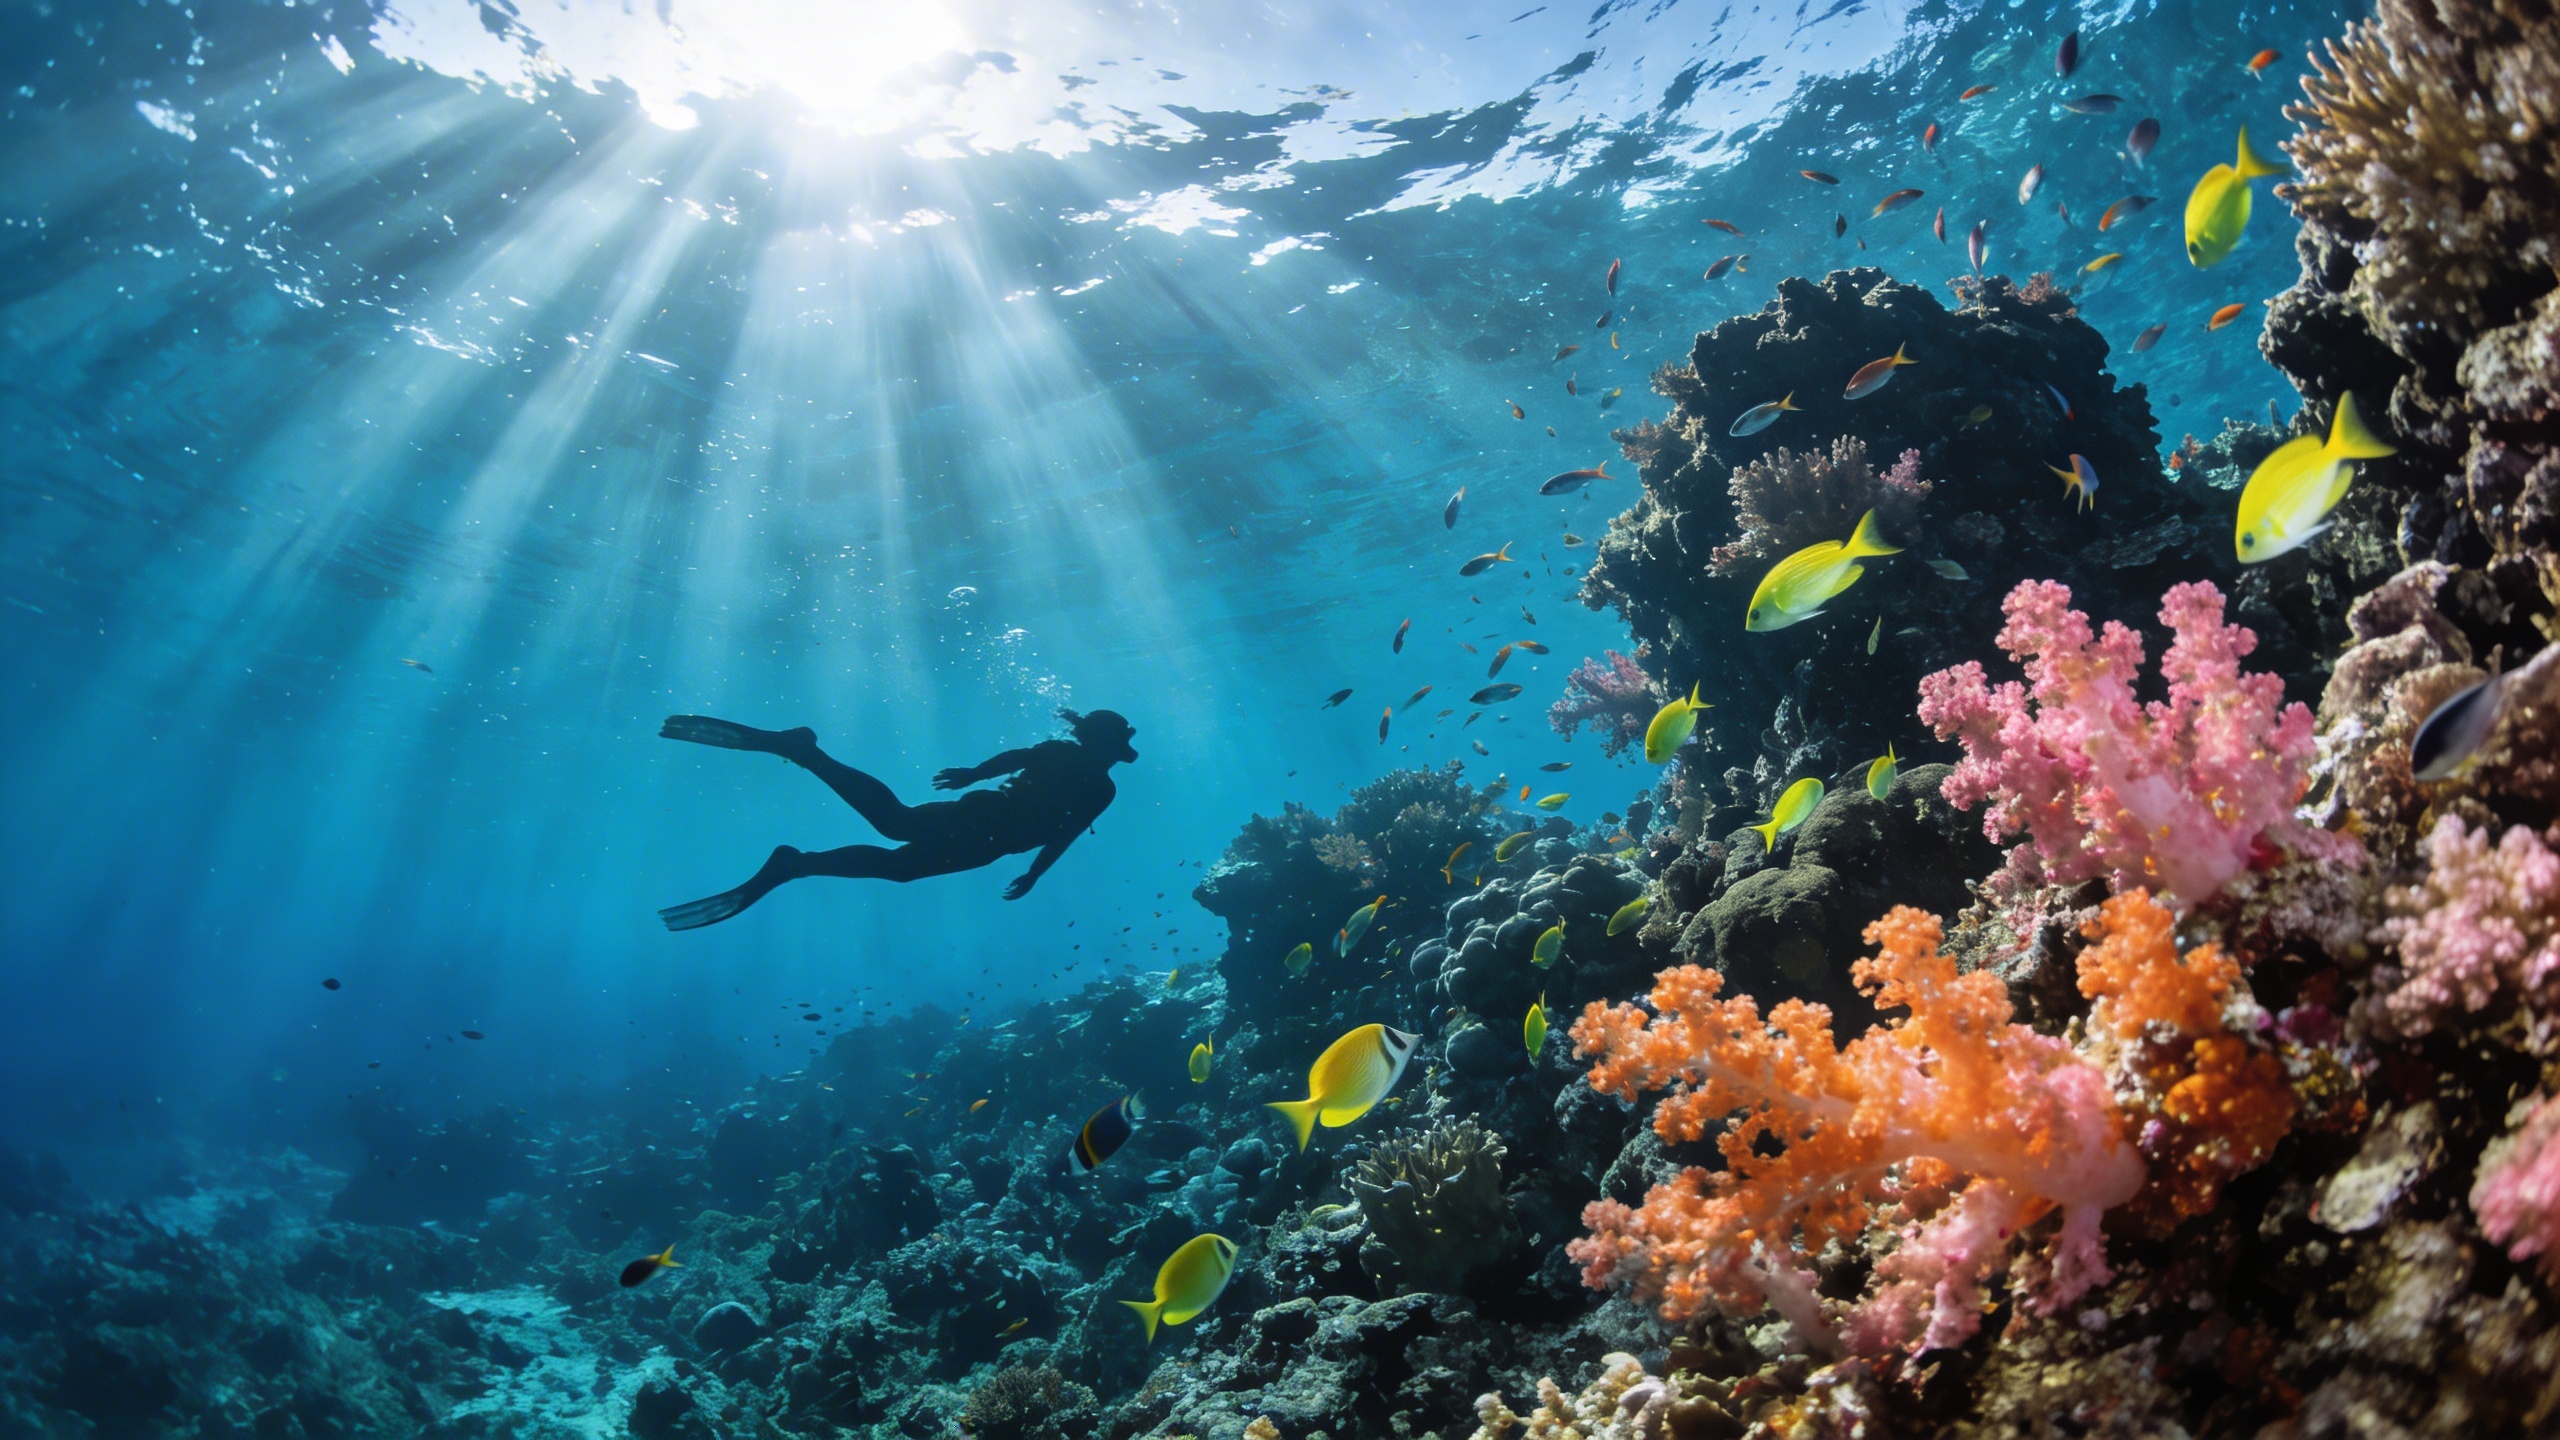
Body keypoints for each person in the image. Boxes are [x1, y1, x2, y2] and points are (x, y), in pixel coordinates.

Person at [654, 708, 1137, 931]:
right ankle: (805, 753)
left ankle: (796, 864)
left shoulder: (1099, 785)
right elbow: (1016, 762)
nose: (1119, 755)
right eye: (1117, 745)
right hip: (987, 823)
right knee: (895, 824)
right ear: (1103, 744)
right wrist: (972, 776)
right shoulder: (1086, 773)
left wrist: (1033, 870)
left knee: (900, 867)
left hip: (991, 843)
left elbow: (1063, 829)